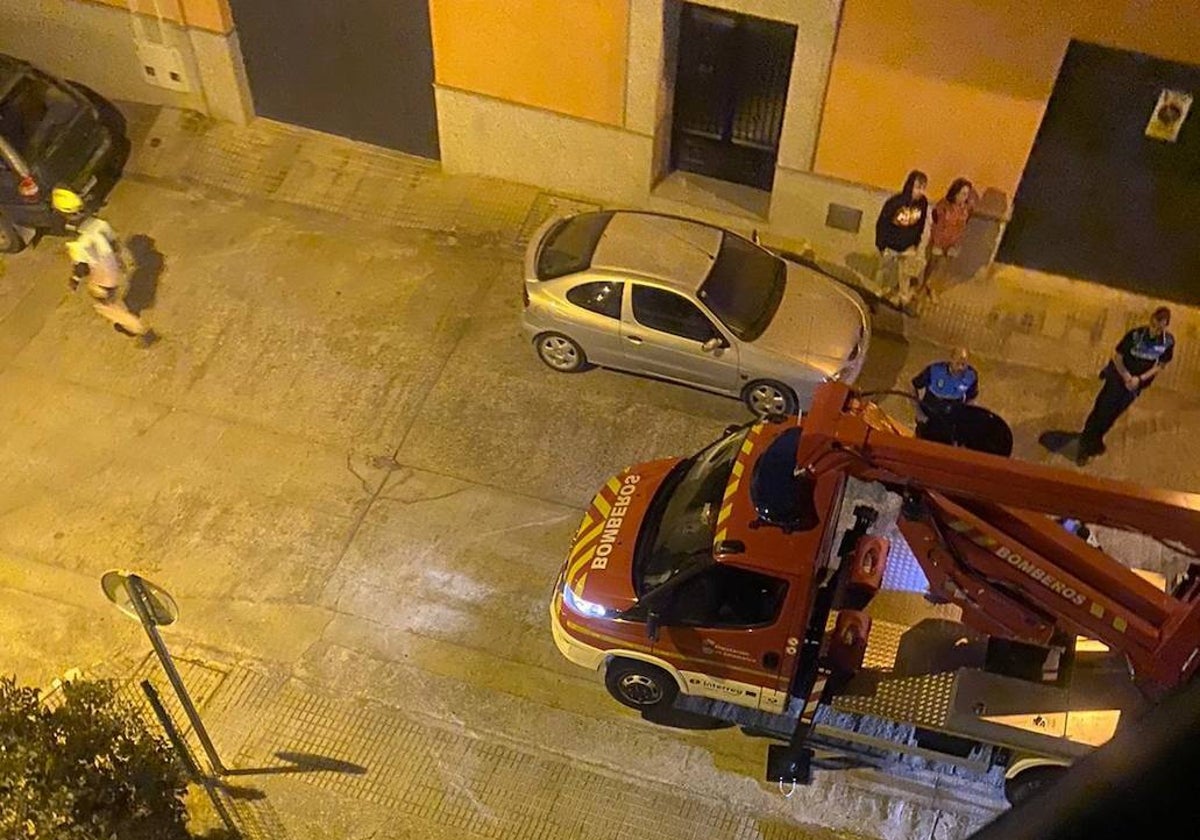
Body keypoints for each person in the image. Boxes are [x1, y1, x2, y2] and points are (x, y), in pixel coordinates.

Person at [1077, 307, 1174, 465]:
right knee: (1102, 410)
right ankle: (1085, 443)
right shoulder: (1135, 335)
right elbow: (1118, 357)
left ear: (1166, 326)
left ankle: (1096, 440)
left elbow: (1160, 365)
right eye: (1154, 325)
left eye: (1160, 327)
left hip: (1135, 386)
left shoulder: (1167, 342)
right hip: (1118, 378)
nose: (1155, 330)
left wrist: (1140, 380)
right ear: (1151, 320)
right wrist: (1127, 376)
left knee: (1113, 414)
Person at [52, 187, 151, 342]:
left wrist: (75, 280)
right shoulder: (100, 224)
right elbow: (114, 244)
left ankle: (136, 327)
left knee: (106, 305)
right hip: (114, 268)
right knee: (111, 298)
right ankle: (125, 317)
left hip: (102, 279)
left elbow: (82, 268)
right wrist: (120, 261)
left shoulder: (77, 243)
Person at [875, 170, 930, 314]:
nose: (920, 191)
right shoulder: (895, 203)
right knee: (884, 272)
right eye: (917, 187)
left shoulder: (922, 203)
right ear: (910, 185)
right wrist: (881, 245)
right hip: (891, 245)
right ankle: (877, 296)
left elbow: (921, 223)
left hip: (908, 246)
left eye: (923, 188)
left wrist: (916, 242)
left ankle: (903, 301)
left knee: (905, 275)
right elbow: (882, 223)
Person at [919, 177, 975, 304]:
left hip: (954, 242)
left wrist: (956, 244)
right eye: (963, 193)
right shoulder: (943, 205)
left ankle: (933, 289)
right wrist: (937, 242)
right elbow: (937, 223)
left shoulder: (966, 209)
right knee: (932, 265)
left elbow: (963, 226)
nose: (965, 197)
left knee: (943, 269)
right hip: (940, 239)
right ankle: (922, 287)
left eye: (967, 194)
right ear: (955, 192)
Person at [911, 347, 978, 444]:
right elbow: (912, 386)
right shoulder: (934, 371)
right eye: (957, 363)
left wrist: (964, 418)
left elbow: (971, 397)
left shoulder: (971, 376)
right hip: (928, 419)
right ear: (951, 359)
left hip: (950, 424)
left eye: (964, 364)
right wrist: (918, 411)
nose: (960, 368)